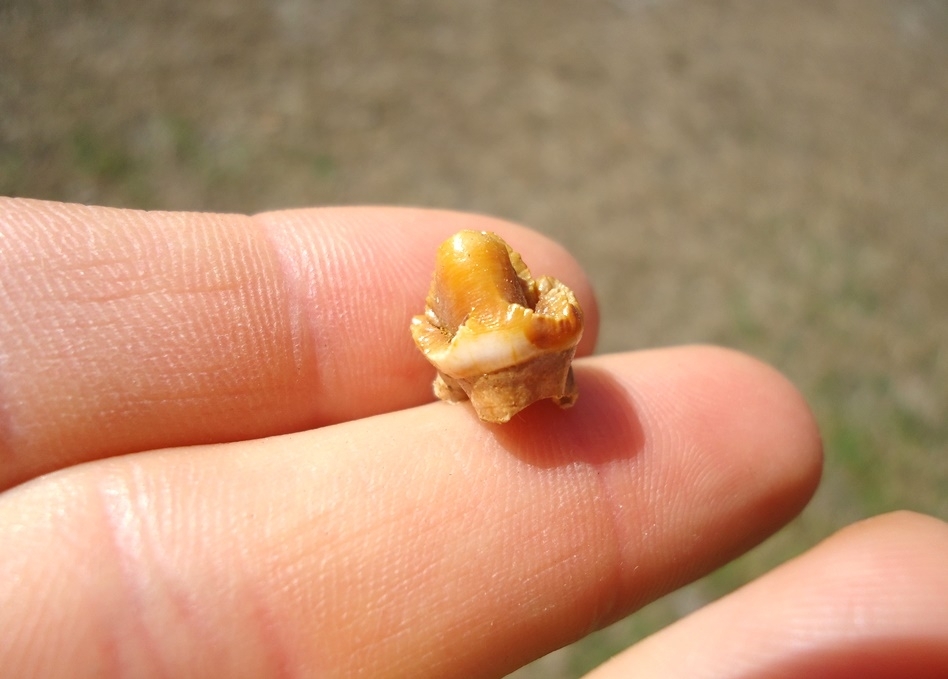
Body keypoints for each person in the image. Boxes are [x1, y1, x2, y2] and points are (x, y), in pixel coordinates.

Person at [0, 197, 945, 678]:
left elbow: (520, 321)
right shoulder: (488, 321)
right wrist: (506, 346)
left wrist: (512, 345)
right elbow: (482, 330)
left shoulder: (511, 320)